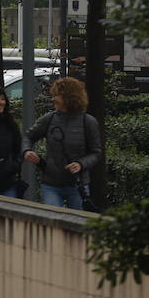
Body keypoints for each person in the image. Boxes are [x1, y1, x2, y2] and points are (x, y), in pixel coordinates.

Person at [21, 76, 103, 209]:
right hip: (51, 183)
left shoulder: (88, 122)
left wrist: (80, 164)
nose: (53, 99)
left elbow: (96, 152)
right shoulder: (49, 118)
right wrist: (27, 151)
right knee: (51, 219)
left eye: (57, 95)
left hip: (77, 184)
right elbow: (28, 136)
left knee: (76, 222)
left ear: (69, 97)